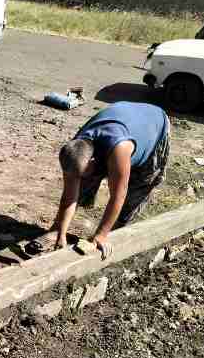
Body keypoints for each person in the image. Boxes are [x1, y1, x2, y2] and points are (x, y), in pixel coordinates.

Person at [38, 101, 171, 259]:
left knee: (139, 187)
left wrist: (100, 235)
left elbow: (118, 196)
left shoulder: (119, 149)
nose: (78, 179)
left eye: (82, 174)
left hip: (153, 124)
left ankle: (115, 233)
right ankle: (56, 228)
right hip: (124, 116)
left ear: (93, 160)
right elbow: (69, 197)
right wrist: (61, 232)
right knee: (83, 183)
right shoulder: (75, 150)